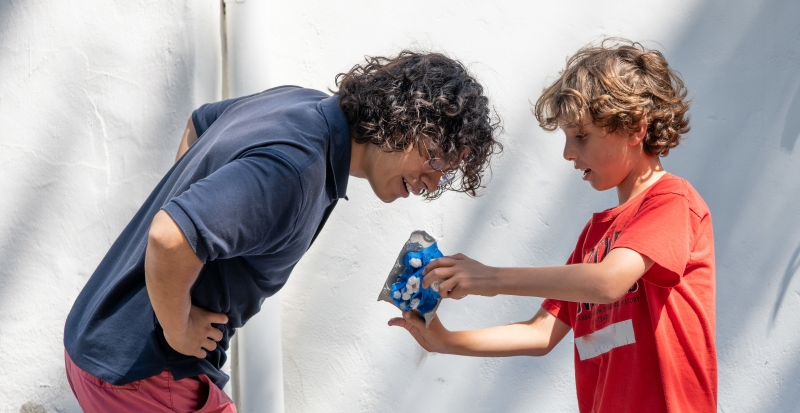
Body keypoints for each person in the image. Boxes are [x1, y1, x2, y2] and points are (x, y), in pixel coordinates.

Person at [64, 50, 502, 412]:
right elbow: (169, 237)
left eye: (444, 178)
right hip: (147, 371)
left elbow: (200, 124)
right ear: (410, 120)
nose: (431, 184)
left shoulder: (300, 105)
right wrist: (178, 326)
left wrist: (204, 216)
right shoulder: (296, 170)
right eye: (438, 163)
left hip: (97, 343)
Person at [390, 39, 716, 413]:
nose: (568, 153)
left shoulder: (672, 201)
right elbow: (541, 333)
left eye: (581, 136)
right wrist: (444, 341)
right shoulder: (594, 239)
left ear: (634, 129)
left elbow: (609, 282)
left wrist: (489, 278)